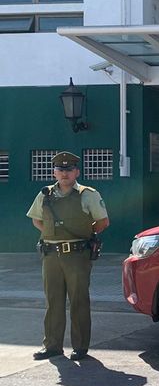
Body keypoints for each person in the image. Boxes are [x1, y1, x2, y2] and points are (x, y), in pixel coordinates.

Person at [25, 151, 110, 361]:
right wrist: (52, 233)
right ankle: (52, 345)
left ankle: (80, 347)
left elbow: (102, 222)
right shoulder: (44, 194)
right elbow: (36, 219)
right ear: (54, 172)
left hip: (77, 254)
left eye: (69, 169)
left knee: (78, 300)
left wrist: (83, 234)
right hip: (51, 254)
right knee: (53, 300)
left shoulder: (88, 194)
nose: (64, 174)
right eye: (60, 169)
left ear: (76, 172)